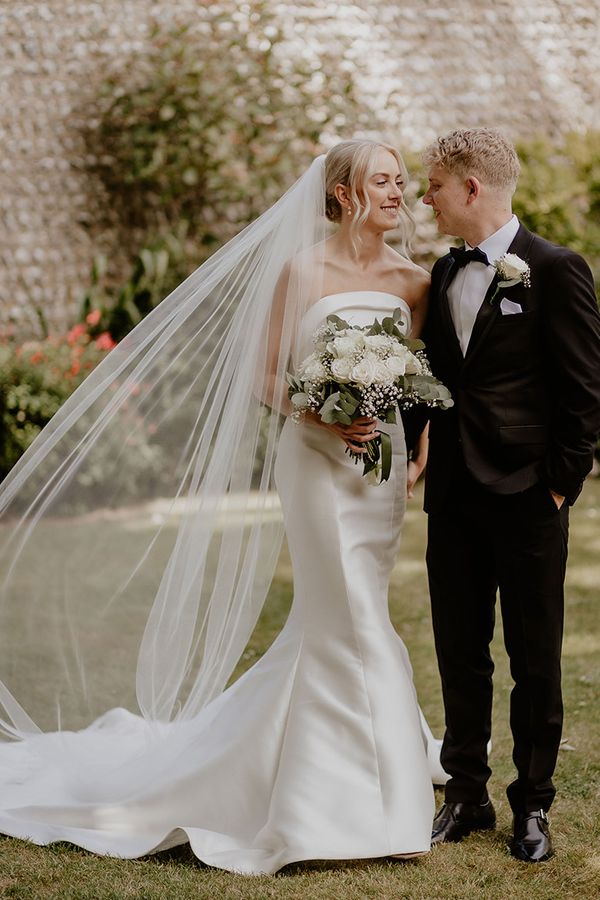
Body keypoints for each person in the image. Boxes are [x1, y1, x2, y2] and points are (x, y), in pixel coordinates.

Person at [0, 140, 444, 874]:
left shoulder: (415, 281)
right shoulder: (302, 271)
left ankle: (319, 767)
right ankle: (369, 799)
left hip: (379, 468)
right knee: (350, 613)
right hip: (314, 461)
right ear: (342, 194)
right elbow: (266, 377)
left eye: (401, 181)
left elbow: (415, 379)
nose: (399, 193)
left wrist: (416, 445)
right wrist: (320, 412)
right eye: (383, 181)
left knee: (346, 612)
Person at [420, 127, 600, 862]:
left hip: (528, 496)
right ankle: (466, 793)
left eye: (434, 185)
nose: (425, 197)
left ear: (472, 187)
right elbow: (439, 377)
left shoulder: (555, 268)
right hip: (452, 497)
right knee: (460, 653)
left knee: (535, 658)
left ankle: (533, 804)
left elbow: (585, 391)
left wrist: (558, 486)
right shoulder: (442, 271)